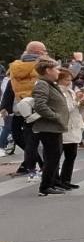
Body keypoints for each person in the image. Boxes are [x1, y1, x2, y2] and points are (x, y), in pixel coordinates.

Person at [29, 58, 72, 196]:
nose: (58, 71)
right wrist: (55, 116)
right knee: (52, 157)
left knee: (54, 156)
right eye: (56, 69)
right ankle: (45, 186)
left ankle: (52, 183)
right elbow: (40, 105)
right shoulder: (42, 84)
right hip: (49, 127)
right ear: (48, 70)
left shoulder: (49, 84)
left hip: (54, 127)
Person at [6, 41, 48, 177]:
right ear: (38, 52)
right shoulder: (42, 66)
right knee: (39, 139)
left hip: (19, 107)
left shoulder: (16, 67)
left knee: (19, 136)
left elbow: (10, 88)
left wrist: (4, 106)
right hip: (36, 107)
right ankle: (41, 165)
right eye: (44, 50)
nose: (46, 52)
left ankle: (30, 165)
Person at [55, 67, 84, 188]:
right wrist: (77, 102)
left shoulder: (71, 91)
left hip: (74, 125)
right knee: (58, 155)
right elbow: (66, 109)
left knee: (71, 155)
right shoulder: (59, 92)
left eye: (70, 80)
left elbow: (77, 108)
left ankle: (66, 179)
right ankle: (56, 180)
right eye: (66, 80)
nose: (69, 82)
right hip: (64, 126)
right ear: (59, 80)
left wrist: (82, 102)